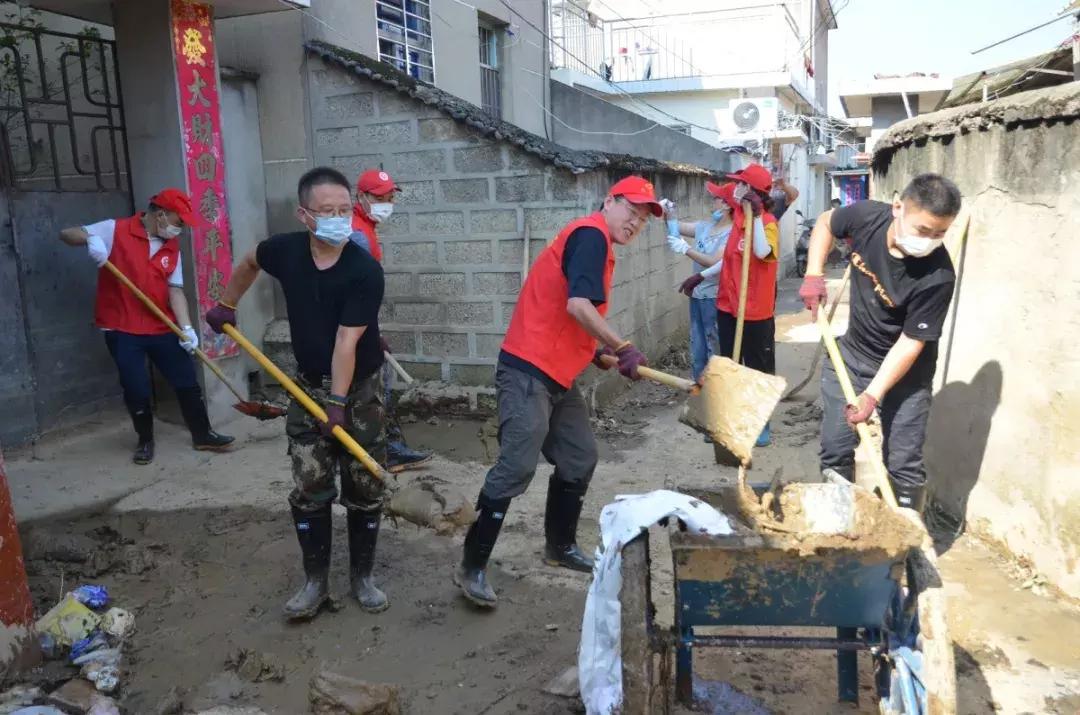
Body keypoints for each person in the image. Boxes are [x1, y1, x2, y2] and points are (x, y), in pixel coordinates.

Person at [455, 176, 662, 609]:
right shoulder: (590, 235)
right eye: (631, 211)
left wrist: (597, 352)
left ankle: (559, 546)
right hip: (527, 371)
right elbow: (578, 305)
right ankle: (472, 564)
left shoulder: (596, 245)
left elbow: (566, 311)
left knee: (579, 456)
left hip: (556, 375)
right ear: (609, 201)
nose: (635, 222)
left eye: (643, 219)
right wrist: (622, 347)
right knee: (515, 467)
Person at [206, 167, 389, 620]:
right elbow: (249, 261)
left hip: (358, 389)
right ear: (304, 214)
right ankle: (315, 582)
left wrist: (339, 403)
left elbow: (347, 342)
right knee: (310, 484)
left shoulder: (363, 269)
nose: (338, 219)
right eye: (327, 211)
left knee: (364, 484)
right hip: (305, 384)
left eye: (345, 210)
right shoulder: (284, 250)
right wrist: (227, 303)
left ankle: (362, 577)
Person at [798, 173, 961, 513]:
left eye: (940, 233)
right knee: (835, 448)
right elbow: (827, 222)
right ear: (898, 208)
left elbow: (911, 342)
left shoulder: (938, 276)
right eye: (923, 230)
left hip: (907, 376)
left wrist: (873, 394)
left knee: (904, 463)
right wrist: (814, 274)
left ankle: (901, 550)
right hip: (851, 359)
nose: (930, 240)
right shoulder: (867, 217)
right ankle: (838, 526)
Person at [58, 189, 234, 465]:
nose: (181, 227)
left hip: (161, 324)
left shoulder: (171, 246)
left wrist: (187, 328)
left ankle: (203, 435)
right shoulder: (115, 229)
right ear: (160, 213)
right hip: (122, 327)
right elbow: (67, 234)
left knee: (187, 381)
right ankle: (145, 441)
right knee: (136, 387)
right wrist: (91, 238)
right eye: (179, 220)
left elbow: (175, 290)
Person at [680, 164, 781, 447]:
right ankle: (729, 422)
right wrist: (700, 276)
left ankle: (761, 425)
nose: (734, 189)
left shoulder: (768, 222)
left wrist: (758, 215)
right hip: (729, 306)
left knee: (757, 370)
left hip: (756, 312)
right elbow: (729, 260)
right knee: (729, 365)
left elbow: (761, 252)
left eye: (740, 185)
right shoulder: (737, 219)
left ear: (752, 191)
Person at [350, 168, 432, 473]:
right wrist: (369, 331)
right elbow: (355, 290)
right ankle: (386, 451)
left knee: (376, 385)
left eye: (389, 198)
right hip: (354, 326)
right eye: (380, 198)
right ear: (362, 197)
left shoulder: (367, 227)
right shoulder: (356, 234)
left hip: (362, 323)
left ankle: (386, 448)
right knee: (375, 388)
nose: (387, 203)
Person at [663, 182, 734, 382]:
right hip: (697, 294)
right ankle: (699, 390)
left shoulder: (732, 232)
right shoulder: (705, 227)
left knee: (714, 346)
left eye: (716, 198)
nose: (712, 201)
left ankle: (716, 391)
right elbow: (677, 228)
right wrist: (668, 213)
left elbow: (715, 262)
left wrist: (686, 249)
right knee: (698, 346)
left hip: (715, 296)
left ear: (727, 205)